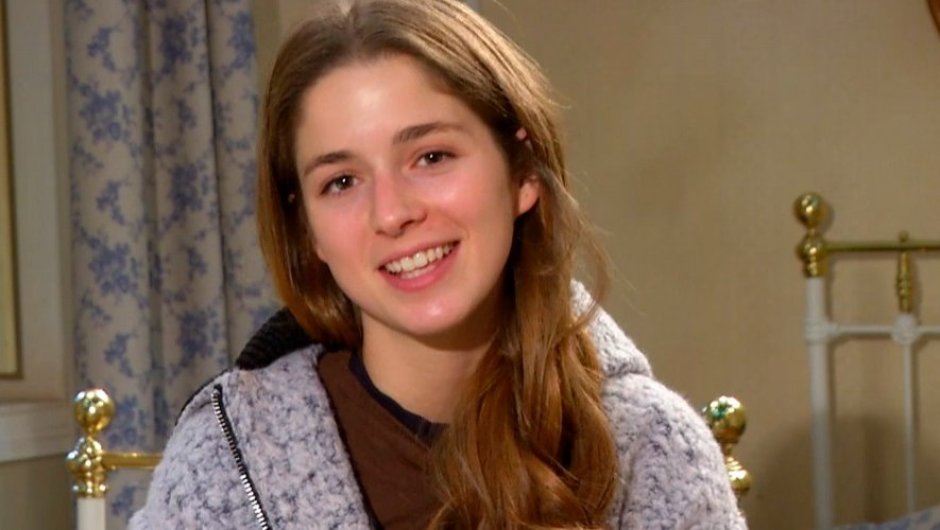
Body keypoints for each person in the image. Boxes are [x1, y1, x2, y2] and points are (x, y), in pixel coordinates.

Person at [130, 0, 745, 528]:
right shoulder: (222, 462)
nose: (392, 213)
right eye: (341, 181)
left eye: (431, 157)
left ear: (522, 172)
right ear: (307, 230)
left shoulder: (653, 452)